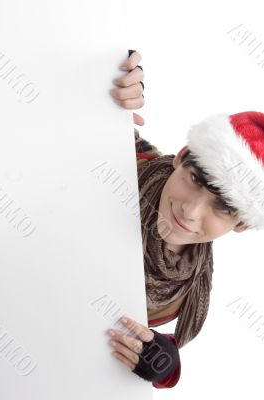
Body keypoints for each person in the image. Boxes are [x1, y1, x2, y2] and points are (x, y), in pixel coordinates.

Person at [106, 50, 264, 389]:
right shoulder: (118, 160)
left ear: (242, 225)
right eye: (195, 180)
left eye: (222, 207)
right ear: (180, 157)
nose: (190, 212)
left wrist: (162, 365)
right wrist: (109, 79)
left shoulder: (187, 288)